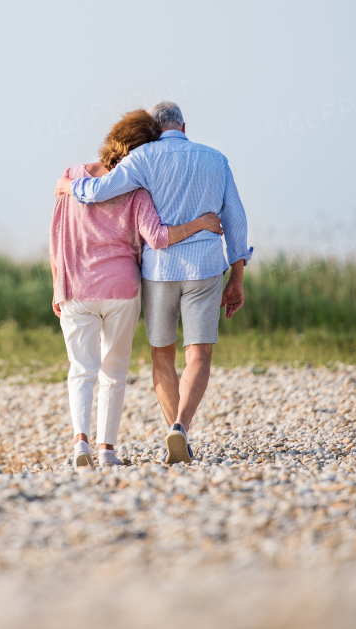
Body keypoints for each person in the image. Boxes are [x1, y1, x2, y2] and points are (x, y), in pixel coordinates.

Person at [56, 101, 252, 464]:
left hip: (158, 271)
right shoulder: (216, 159)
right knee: (199, 354)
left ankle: (157, 434)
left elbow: (98, 192)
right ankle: (180, 428)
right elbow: (236, 220)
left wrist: (69, 185)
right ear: (184, 126)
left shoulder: (142, 158)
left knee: (162, 354)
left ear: (157, 131)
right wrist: (236, 277)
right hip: (205, 268)